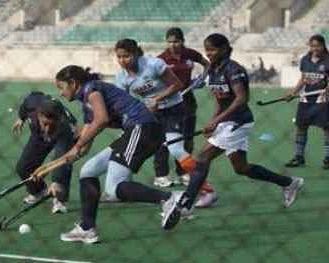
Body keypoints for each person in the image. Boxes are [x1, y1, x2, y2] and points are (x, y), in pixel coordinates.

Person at [162, 33, 304, 228]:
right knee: (241, 168)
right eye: (207, 50)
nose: (209, 53)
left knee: (202, 157)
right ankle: (289, 183)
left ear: (224, 49)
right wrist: (214, 122)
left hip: (238, 122)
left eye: (212, 49)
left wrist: (218, 121)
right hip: (227, 123)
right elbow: (220, 100)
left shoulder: (233, 69)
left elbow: (241, 99)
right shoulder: (212, 69)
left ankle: (186, 203)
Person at [32, 65, 183, 244]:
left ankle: (167, 199)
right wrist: (48, 168)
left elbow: (101, 120)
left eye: (61, 87)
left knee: (114, 188)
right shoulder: (87, 106)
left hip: (142, 128)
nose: (61, 93)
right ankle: (87, 229)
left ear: (73, 83)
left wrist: (78, 144)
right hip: (136, 131)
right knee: (88, 170)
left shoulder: (92, 90)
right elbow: (81, 150)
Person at [114, 38, 217, 207]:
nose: (122, 61)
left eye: (126, 56)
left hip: (173, 110)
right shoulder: (122, 78)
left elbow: (177, 85)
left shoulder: (154, 64)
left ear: (136, 53)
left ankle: (207, 190)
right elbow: (126, 101)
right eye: (119, 57)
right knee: (129, 145)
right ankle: (118, 186)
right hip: (150, 115)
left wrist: (158, 99)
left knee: (175, 149)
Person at [156, 27, 209, 188]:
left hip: (188, 102)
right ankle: (161, 175)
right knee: (165, 141)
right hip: (168, 105)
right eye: (170, 41)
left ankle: (183, 172)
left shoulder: (190, 54)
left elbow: (207, 64)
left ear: (182, 41)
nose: (173, 44)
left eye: (176, 41)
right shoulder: (161, 59)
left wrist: (202, 78)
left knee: (187, 139)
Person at [13, 92, 77, 213]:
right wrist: (21, 118)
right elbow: (26, 103)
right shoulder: (33, 103)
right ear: (38, 115)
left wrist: (56, 181)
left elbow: (62, 158)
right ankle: (39, 191)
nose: (47, 129)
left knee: (63, 166)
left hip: (62, 136)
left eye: (51, 125)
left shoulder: (64, 126)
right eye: (45, 124)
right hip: (38, 134)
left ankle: (59, 200)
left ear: (58, 120)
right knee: (23, 167)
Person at [284, 34, 329, 169]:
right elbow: (303, 79)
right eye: (312, 46)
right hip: (306, 99)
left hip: (323, 99)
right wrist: (293, 92)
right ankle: (299, 157)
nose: (315, 49)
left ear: (323, 45)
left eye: (318, 46)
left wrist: (327, 90)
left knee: (327, 128)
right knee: (301, 126)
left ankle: (327, 158)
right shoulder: (305, 59)